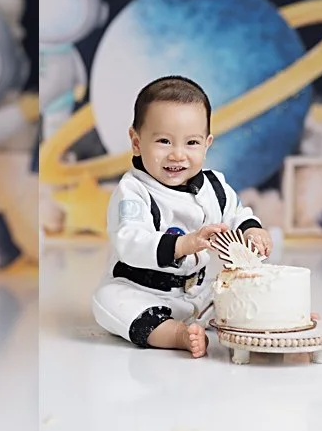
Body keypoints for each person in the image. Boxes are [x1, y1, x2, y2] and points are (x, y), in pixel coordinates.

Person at [93, 71, 271, 352]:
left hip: (198, 293)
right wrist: (184, 244)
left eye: (191, 143)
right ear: (137, 142)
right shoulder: (134, 191)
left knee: (239, 288)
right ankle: (175, 334)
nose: (178, 154)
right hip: (144, 292)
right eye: (164, 141)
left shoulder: (214, 185)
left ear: (207, 143)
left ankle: (275, 320)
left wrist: (252, 230)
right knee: (109, 301)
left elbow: (236, 212)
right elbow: (130, 241)